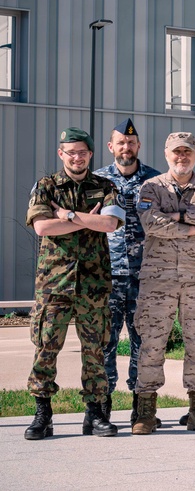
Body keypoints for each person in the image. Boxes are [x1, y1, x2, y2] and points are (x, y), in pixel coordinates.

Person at [23, 128, 125, 440]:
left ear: (91, 154)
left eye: (82, 151)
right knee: (46, 349)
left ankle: (94, 415)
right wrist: (84, 219)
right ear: (61, 154)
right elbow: (41, 226)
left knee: (95, 350)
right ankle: (43, 414)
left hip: (93, 285)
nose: (77, 157)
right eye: (71, 152)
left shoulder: (106, 187)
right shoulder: (46, 186)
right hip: (54, 285)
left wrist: (66, 215)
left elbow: (108, 224)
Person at [132, 132, 195, 435]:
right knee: (151, 344)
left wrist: (175, 216)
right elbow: (150, 222)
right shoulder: (150, 187)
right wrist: (192, 227)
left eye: (187, 152)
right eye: (176, 152)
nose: (182, 157)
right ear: (166, 154)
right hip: (157, 281)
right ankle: (146, 411)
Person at [94, 118, 161, 425]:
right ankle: (103, 407)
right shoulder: (96, 181)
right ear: (111, 147)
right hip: (107, 276)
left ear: (138, 146)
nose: (126, 147)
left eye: (131, 143)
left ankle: (141, 406)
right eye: (120, 142)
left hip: (144, 277)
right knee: (104, 343)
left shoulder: (155, 181)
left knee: (143, 343)